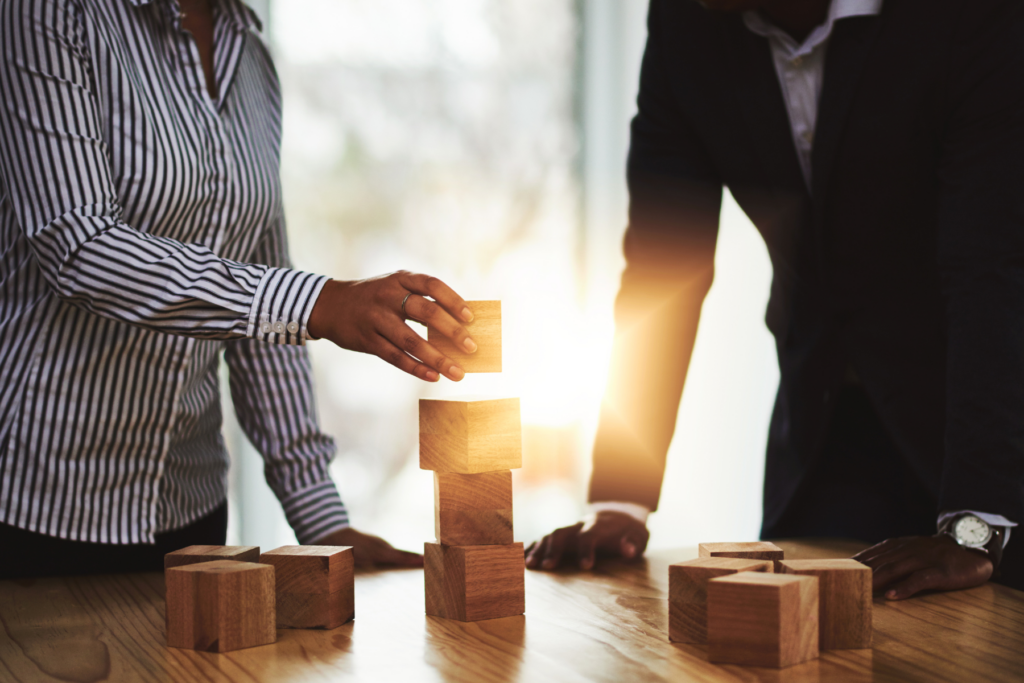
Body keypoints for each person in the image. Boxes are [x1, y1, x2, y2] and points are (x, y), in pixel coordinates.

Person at [527, 0, 1024, 595]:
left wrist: (979, 524)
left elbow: (991, 266)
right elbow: (662, 268)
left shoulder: (971, 15)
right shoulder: (686, 23)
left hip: (996, 423)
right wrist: (620, 500)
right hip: (828, 426)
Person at [0, 0, 478, 577]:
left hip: (190, 512)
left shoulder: (250, 54)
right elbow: (81, 248)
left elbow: (263, 308)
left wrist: (320, 516)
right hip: (39, 510)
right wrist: (317, 302)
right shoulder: (48, 14)